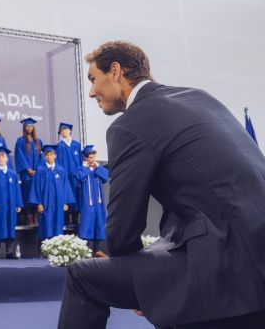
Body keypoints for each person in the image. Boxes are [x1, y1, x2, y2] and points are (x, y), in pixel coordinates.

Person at [59, 41, 265, 328]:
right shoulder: (200, 98)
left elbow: (122, 229)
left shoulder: (129, 125)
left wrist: (141, 292)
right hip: (254, 251)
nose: (92, 91)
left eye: (93, 79)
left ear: (115, 71)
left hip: (225, 265)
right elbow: (201, 199)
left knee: (82, 276)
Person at [28, 145, 74, 245]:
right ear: (44, 157)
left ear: (55, 156)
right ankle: (45, 249)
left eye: (51, 154)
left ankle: (56, 248)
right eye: (47, 155)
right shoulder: (40, 170)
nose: (49, 157)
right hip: (45, 203)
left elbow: (66, 187)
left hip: (58, 203)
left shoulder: (61, 171)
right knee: (46, 224)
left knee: (58, 224)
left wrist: (66, 202)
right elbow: (36, 188)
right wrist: (38, 203)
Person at [72, 145, 108, 255]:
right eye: (90, 157)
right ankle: (87, 251)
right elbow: (79, 177)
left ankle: (99, 251)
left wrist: (99, 167)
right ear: (86, 158)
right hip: (87, 201)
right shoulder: (80, 169)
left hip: (98, 202)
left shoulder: (98, 169)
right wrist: (86, 168)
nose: (92, 159)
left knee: (99, 222)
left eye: (94, 157)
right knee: (87, 222)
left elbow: (105, 178)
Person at [14, 117, 43, 225]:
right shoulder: (20, 141)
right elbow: (20, 156)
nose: (29, 128)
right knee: (27, 193)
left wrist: (38, 170)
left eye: (31, 126)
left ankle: (36, 215)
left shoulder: (38, 142)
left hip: (37, 173)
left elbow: (42, 158)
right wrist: (28, 169)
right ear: (24, 127)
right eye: (27, 126)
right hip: (26, 174)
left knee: (37, 193)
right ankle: (28, 215)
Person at [56, 122, 81, 225]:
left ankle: (75, 219)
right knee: (65, 195)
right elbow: (58, 163)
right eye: (61, 130)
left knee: (76, 195)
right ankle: (66, 220)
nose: (64, 131)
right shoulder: (59, 146)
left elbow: (81, 160)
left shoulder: (77, 145)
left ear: (70, 131)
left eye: (65, 129)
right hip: (65, 176)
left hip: (76, 176)